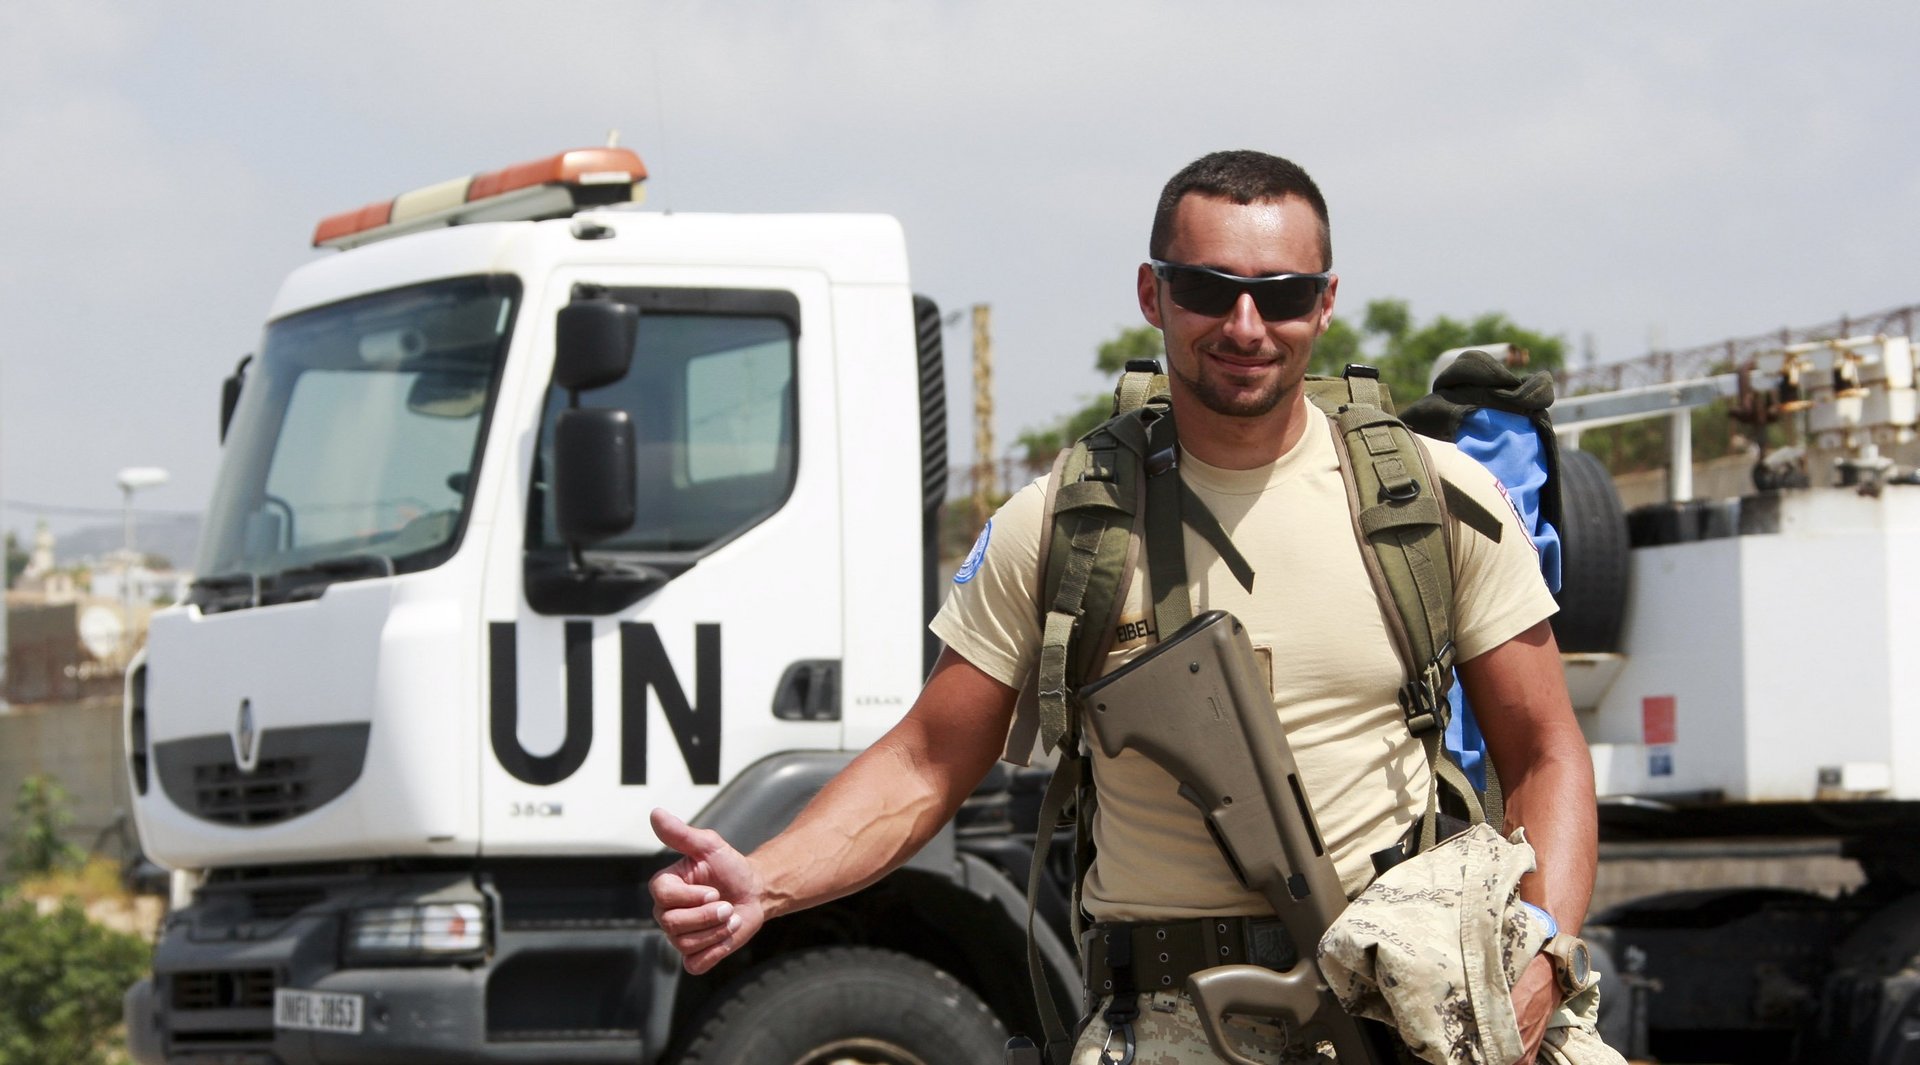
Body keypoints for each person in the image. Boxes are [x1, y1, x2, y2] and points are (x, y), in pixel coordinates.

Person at [650, 150, 1599, 1064]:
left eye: (1280, 294)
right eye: (1204, 288)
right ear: (1152, 294)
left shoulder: (1430, 500)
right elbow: (929, 759)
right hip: (1174, 1017)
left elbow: (1546, 751)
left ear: (1325, 302)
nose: (1243, 324)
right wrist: (763, 881)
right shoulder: (1063, 522)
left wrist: (1542, 956)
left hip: (1408, 999)